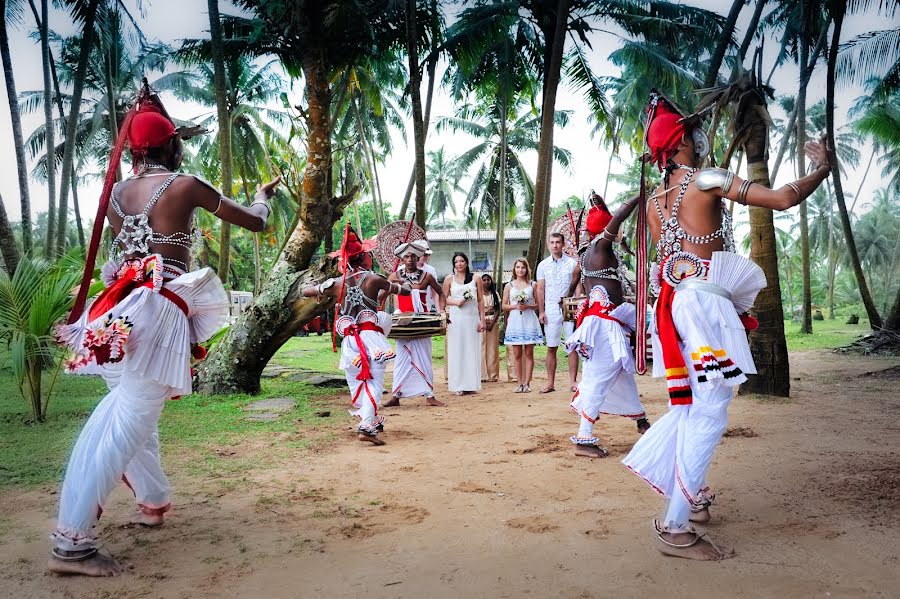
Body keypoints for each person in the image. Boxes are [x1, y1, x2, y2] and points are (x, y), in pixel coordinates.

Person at [49, 90, 278, 576]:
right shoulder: (185, 185)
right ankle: (73, 542)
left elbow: (124, 252)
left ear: (134, 150)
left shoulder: (113, 195)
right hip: (156, 312)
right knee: (128, 420)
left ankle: (152, 500)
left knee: (133, 411)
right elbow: (257, 224)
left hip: (113, 314)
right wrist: (262, 198)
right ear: (171, 146)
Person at [622, 91, 833, 560]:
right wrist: (822, 169)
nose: (700, 139)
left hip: (678, 304)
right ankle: (674, 524)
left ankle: (690, 498)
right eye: (694, 134)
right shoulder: (706, 179)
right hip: (704, 304)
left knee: (698, 401)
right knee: (711, 407)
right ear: (682, 145)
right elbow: (780, 199)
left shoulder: (655, 202)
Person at [303, 226, 410, 444]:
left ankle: (371, 420)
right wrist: (397, 284)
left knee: (359, 381)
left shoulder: (336, 284)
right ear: (363, 258)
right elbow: (405, 291)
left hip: (350, 341)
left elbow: (306, 292)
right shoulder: (374, 279)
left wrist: (322, 288)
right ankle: (365, 427)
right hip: (371, 339)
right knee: (374, 381)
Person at [563, 193, 650, 459]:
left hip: (607, 321)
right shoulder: (600, 246)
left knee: (621, 375)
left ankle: (642, 422)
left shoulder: (593, 250)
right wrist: (639, 197)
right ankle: (584, 439)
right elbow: (618, 218)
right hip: (603, 325)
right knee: (599, 379)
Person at [386, 241, 446, 407]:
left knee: (424, 358)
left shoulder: (426, 276)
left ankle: (429, 395)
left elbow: (441, 293)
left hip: (422, 321)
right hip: (403, 322)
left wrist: (442, 311)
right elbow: (382, 294)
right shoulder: (394, 277)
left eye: (413, 256)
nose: (410, 259)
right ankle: (396, 395)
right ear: (402, 259)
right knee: (402, 359)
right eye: (406, 256)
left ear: (418, 257)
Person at [536, 232, 580, 393]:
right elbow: (540, 289)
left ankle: (573, 382)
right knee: (551, 346)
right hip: (551, 307)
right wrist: (541, 311)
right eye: (552, 242)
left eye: (558, 242)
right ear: (549, 244)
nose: (555, 245)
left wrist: (578, 307)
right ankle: (550, 383)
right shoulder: (543, 265)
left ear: (563, 244)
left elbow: (577, 287)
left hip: (569, 306)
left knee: (572, 345)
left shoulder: (572, 263)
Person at [443, 252, 485, 395]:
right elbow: (443, 299)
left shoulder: (476, 278)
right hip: (456, 318)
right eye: (456, 262)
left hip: (472, 318)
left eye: (462, 261)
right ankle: (457, 384)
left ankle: (471, 383)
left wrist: (482, 320)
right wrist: (455, 302)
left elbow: (480, 300)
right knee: (457, 349)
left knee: (471, 349)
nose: (459, 264)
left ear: (467, 262)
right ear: (453, 264)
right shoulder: (450, 279)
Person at [502, 258, 543, 393]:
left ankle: (527, 383)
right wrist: (515, 306)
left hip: (529, 319)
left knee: (529, 353)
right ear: (514, 269)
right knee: (517, 353)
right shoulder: (509, 286)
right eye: (518, 267)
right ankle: (519, 383)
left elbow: (538, 304)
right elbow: (504, 305)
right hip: (515, 321)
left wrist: (528, 306)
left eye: (523, 267)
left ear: (527, 269)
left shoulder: (533, 284)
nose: (520, 270)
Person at [481, 273, 501, 382]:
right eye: (484, 280)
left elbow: (498, 309)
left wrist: (492, 323)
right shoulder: (478, 294)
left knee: (492, 349)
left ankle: (493, 375)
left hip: (493, 323)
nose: (486, 282)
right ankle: (482, 375)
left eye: (488, 280)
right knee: (482, 347)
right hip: (481, 323)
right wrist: (483, 321)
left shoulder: (495, 294)